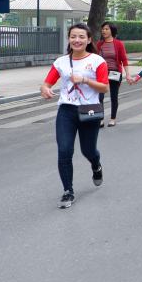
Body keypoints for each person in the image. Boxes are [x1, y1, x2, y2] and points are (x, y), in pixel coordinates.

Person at [39, 23, 108, 208]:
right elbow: (46, 83)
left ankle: (96, 165)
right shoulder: (61, 62)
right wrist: (44, 89)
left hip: (89, 110)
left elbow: (104, 87)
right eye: (73, 36)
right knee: (65, 151)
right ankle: (68, 191)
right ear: (69, 39)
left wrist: (84, 79)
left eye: (81, 37)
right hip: (66, 111)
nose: (77, 40)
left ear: (89, 40)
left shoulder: (97, 61)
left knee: (88, 151)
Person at [96, 22, 131, 128]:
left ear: (112, 31)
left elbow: (124, 59)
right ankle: (101, 119)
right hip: (102, 74)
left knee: (114, 96)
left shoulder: (118, 44)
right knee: (99, 97)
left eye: (106, 29)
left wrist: (128, 74)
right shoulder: (100, 44)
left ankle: (112, 119)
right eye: (103, 29)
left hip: (115, 73)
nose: (104, 31)